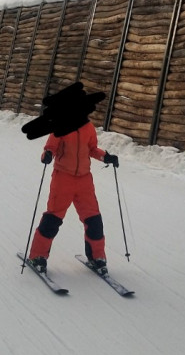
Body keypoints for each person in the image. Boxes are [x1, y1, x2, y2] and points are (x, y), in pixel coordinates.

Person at [25, 84, 119, 275]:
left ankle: (97, 258)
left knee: (94, 220)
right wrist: (48, 155)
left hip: (85, 180)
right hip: (63, 179)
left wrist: (105, 157)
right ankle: (37, 256)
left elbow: (92, 149)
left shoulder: (88, 127)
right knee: (53, 219)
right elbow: (50, 147)